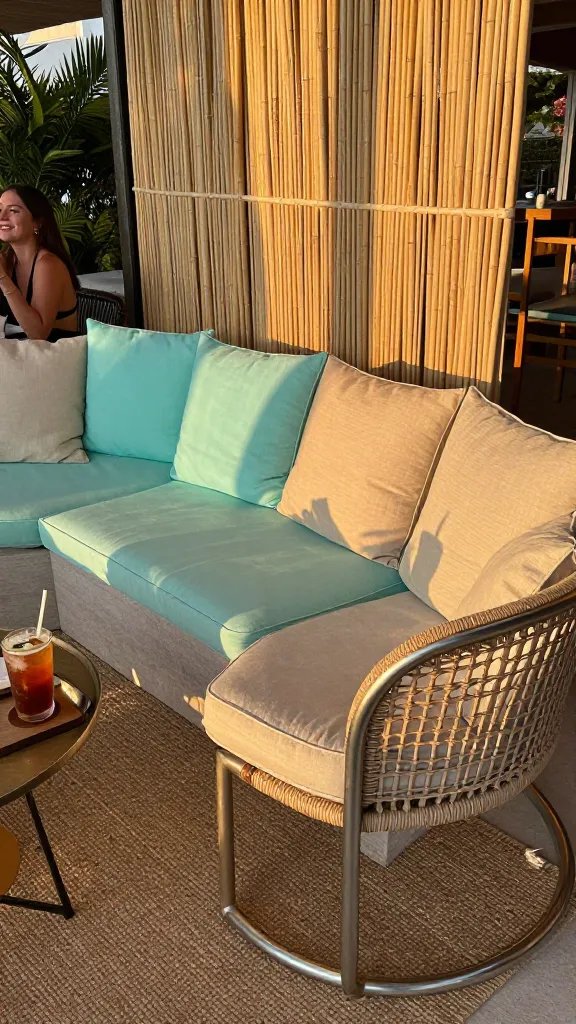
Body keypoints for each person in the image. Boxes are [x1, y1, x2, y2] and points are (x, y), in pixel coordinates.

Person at [0, 184, 79, 341]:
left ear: (37, 222)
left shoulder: (48, 265)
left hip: (56, 359)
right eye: (0, 209)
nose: (2, 217)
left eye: (13, 210)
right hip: (20, 355)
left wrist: (3, 280)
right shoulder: (8, 260)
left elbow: (38, 334)